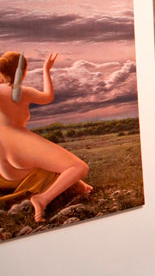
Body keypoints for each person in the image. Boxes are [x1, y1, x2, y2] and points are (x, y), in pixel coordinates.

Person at [0, 51, 91, 222]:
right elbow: (48, 97)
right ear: (24, 71)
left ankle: (79, 186)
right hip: (19, 150)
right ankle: (42, 199)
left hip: (6, 167)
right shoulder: (23, 91)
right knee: (78, 167)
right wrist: (46, 70)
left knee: (49, 163)